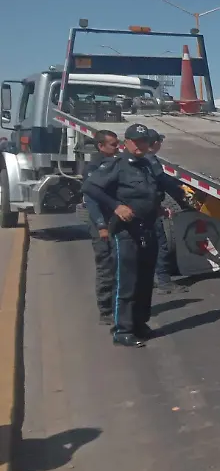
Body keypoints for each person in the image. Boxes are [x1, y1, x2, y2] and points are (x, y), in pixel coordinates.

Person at [83, 124, 194, 347]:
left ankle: (139, 324)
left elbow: (156, 188)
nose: (141, 145)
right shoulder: (116, 164)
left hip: (148, 227)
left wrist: (163, 204)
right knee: (127, 281)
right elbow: (90, 188)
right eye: (137, 141)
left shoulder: (148, 165)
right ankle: (122, 330)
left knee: (145, 281)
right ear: (127, 142)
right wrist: (116, 206)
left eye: (144, 141)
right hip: (126, 231)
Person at [83, 130, 121, 325]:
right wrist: (100, 225)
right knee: (106, 266)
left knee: (121, 266)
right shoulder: (94, 167)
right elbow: (91, 200)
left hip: (118, 221)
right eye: (113, 144)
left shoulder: (117, 163)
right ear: (101, 146)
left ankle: (119, 306)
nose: (117, 147)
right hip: (103, 223)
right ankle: (105, 310)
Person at [145, 130, 187, 294]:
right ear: (155, 143)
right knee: (160, 245)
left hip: (142, 208)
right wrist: (180, 191)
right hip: (151, 209)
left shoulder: (138, 159)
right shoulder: (151, 160)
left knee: (146, 246)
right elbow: (162, 180)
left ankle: (146, 280)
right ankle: (164, 282)